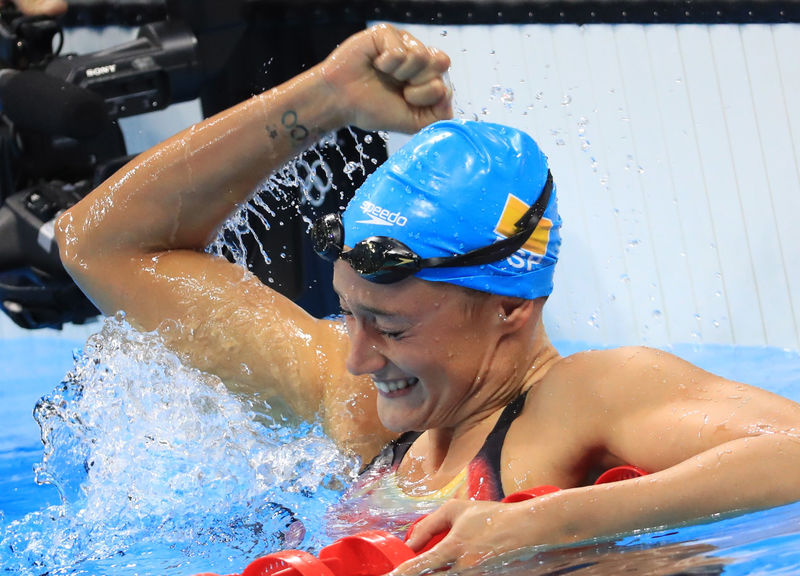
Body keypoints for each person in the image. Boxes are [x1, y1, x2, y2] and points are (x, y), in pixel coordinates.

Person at [55, 23, 800, 575]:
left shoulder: (584, 398)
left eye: (390, 327)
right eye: (350, 315)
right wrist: (323, 101)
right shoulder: (361, 415)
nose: (356, 356)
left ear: (511, 307)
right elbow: (100, 244)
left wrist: (547, 524)